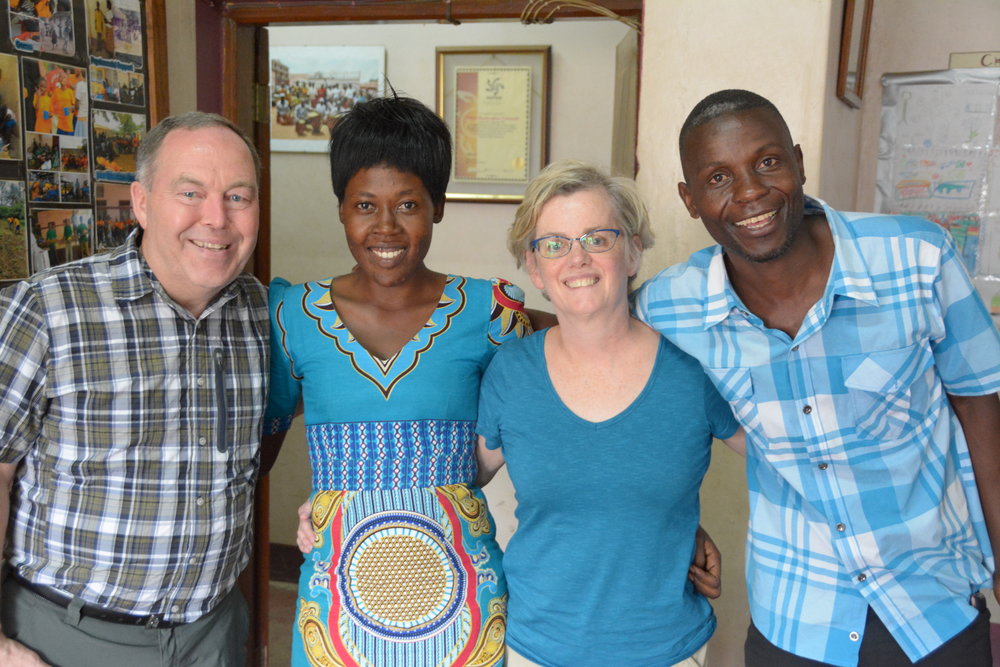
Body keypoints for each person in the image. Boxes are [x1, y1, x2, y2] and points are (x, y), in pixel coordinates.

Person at [635, 89, 1000, 666]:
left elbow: (981, 409)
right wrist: (675, 524)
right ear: (690, 199)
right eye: (718, 178)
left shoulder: (915, 256)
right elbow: (602, 370)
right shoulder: (668, 308)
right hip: (798, 620)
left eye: (768, 162)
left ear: (799, 162)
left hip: (936, 606)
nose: (751, 191)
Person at [264, 94, 534, 667]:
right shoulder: (292, 317)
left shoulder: (489, 311)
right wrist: (319, 505)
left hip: (466, 608)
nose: (385, 226)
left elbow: (575, 379)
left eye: (408, 204)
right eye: (365, 204)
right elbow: (255, 456)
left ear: (437, 205)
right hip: (335, 614)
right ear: (340, 208)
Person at [0, 111, 267, 667]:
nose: (216, 219)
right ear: (141, 202)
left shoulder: (264, 315)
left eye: (238, 197)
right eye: (190, 192)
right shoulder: (50, 308)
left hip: (212, 635)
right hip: (66, 639)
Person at [474, 160, 744, 666]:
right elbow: (451, 482)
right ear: (534, 268)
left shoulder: (692, 372)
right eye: (554, 244)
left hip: (667, 650)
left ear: (633, 251)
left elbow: (791, 457)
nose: (577, 258)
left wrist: (676, 526)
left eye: (598, 238)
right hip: (536, 647)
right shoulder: (510, 374)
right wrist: (342, 504)